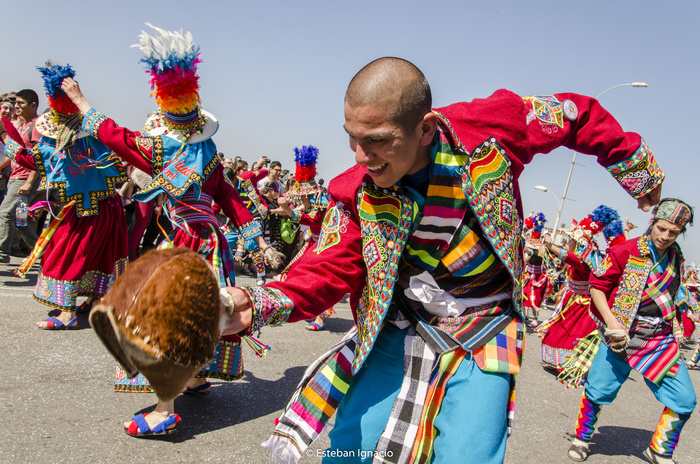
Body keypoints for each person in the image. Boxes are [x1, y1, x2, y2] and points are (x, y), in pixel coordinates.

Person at [220, 57, 663, 463]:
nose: (360, 156)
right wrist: (256, 302)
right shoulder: (356, 192)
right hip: (400, 323)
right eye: (352, 139)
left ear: (426, 129)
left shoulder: (492, 128)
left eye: (377, 142)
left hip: (486, 324)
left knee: (470, 450)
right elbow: (327, 266)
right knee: (353, 444)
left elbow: (574, 113)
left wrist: (630, 162)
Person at [62, 24, 278, 436]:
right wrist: (256, 238)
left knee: (166, 316)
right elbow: (229, 197)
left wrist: (79, 99)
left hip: (183, 243)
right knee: (206, 312)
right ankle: (196, 376)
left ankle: (164, 408)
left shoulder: (161, 147)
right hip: (212, 242)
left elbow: (110, 134)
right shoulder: (207, 150)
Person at [567, 199, 696, 464]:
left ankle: (659, 449)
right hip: (620, 337)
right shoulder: (625, 250)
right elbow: (597, 286)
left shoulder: (676, 255)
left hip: (659, 339)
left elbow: (673, 290)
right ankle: (582, 437)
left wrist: (686, 312)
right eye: (661, 229)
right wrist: (612, 323)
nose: (665, 236)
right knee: (598, 391)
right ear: (653, 222)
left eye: (673, 232)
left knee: (685, 398)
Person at [0, 63, 128, 327]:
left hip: (91, 206)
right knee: (89, 253)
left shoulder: (75, 137)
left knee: (70, 254)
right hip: (95, 205)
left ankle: (68, 313)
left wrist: (5, 136)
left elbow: (33, 160)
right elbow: (35, 159)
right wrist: (5, 135)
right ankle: (96, 301)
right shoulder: (75, 136)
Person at [537, 206, 625, 372]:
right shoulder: (585, 255)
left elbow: (574, 260)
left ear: (578, 242)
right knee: (560, 330)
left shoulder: (589, 257)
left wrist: (552, 246)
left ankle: (572, 365)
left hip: (583, 305)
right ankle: (562, 362)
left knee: (574, 334)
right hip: (573, 300)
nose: (568, 242)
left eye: (571, 240)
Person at [0, 89, 42, 263]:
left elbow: (39, 157)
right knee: (20, 220)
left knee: (4, 213)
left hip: (25, 179)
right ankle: (45, 252)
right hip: (15, 177)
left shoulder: (37, 125)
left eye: (20, 103)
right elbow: (15, 153)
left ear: (33, 105)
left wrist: (29, 182)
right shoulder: (23, 125)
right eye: (15, 103)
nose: (16, 106)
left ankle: (1, 253)